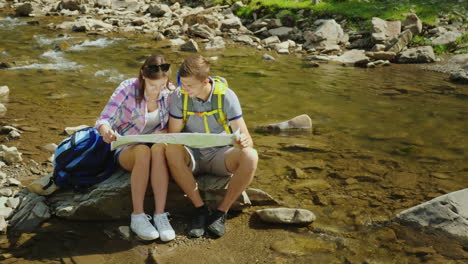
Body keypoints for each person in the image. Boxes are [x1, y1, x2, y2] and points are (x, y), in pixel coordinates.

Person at [166, 55, 258, 238]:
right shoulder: (178, 97)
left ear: (205, 81)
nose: (184, 89)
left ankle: (220, 212)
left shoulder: (226, 96)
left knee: (251, 156)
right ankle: (200, 209)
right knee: (171, 147)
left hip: (221, 155)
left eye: (189, 85)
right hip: (192, 155)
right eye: (182, 83)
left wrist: (245, 142)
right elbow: (173, 134)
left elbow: (246, 137)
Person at [95, 54, 176, 241]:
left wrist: (164, 132)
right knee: (142, 150)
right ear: (143, 76)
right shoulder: (127, 88)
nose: (158, 90)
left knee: (157, 150)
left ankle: (160, 215)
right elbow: (104, 119)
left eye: (162, 85)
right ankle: (138, 216)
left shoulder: (171, 91)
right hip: (127, 147)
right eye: (152, 85)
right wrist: (106, 130)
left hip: (155, 144)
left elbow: (177, 123)